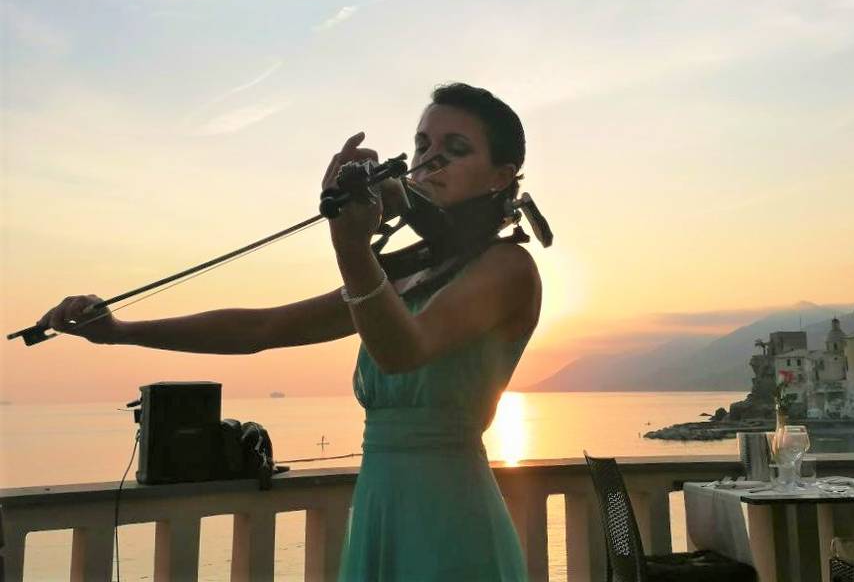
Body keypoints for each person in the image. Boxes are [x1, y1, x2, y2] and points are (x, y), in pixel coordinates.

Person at [36, 82, 542, 581]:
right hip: (380, 505)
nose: (428, 163)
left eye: (455, 150)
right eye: (422, 145)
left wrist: (352, 247)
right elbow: (264, 327)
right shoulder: (408, 272)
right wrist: (121, 330)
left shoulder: (508, 268)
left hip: (453, 518)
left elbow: (403, 350)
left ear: (501, 177)